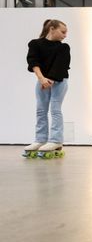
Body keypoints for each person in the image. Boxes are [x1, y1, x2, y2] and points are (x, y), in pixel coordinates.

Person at [23, 19, 70, 159]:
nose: (65, 35)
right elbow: (33, 62)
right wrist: (42, 79)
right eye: (62, 32)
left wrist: (49, 80)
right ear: (51, 29)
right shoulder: (35, 44)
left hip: (59, 81)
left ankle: (56, 140)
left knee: (55, 110)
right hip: (42, 80)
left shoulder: (63, 47)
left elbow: (60, 66)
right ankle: (40, 139)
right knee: (40, 110)